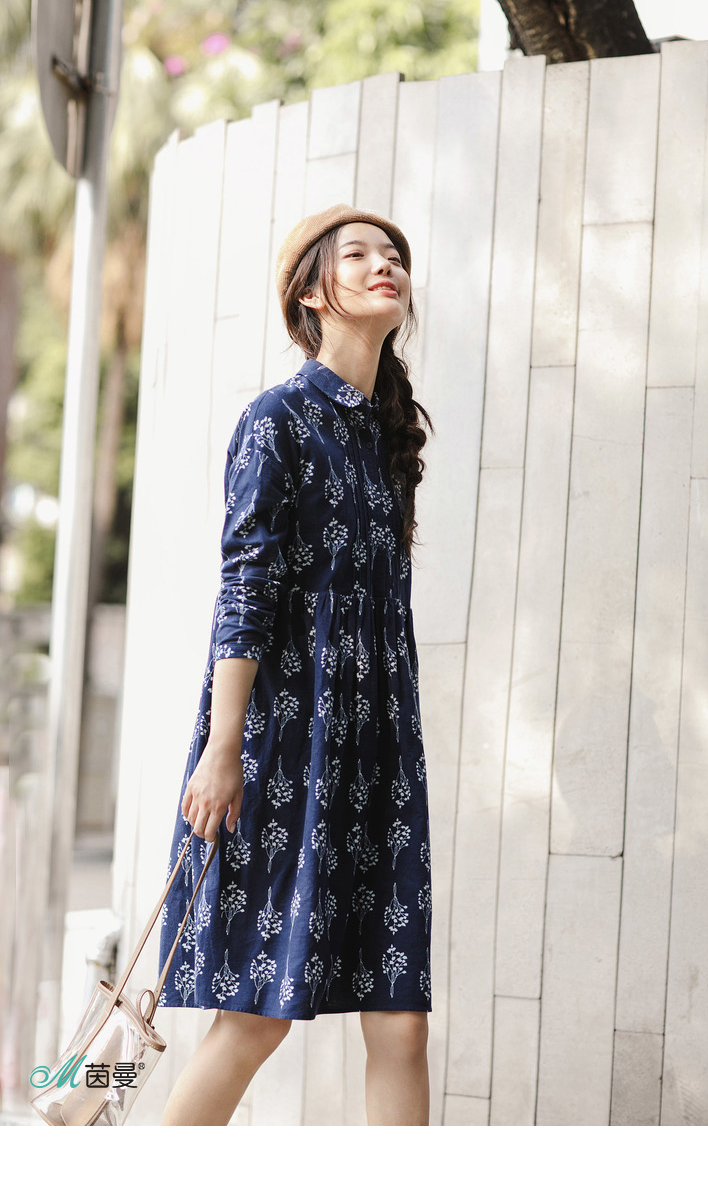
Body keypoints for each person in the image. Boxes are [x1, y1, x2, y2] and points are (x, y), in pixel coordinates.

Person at [156, 203, 435, 1126]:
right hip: (282, 743)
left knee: (401, 1019)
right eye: (358, 254)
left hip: (378, 750)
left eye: (393, 255)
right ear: (312, 292)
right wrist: (222, 747)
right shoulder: (276, 420)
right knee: (255, 1015)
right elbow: (245, 590)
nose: (385, 264)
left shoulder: (389, 437)